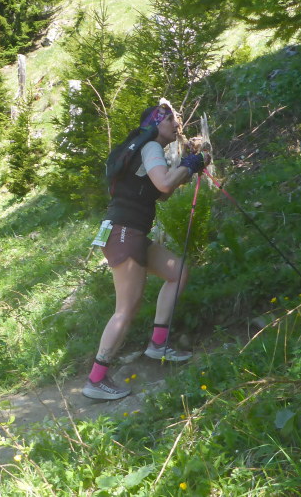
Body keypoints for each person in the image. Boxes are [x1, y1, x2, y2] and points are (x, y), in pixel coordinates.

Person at [82, 100, 209, 400]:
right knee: (126, 309)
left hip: (125, 232)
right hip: (126, 232)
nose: (176, 124)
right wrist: (191, 164)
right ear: (155, 123)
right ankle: (95, 380)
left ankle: (158, 344)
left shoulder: (144, 149)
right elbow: (164, 185)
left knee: (178, 272)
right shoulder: (150, 146)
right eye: (170, 119)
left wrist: (186, 167)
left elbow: (160, 194)